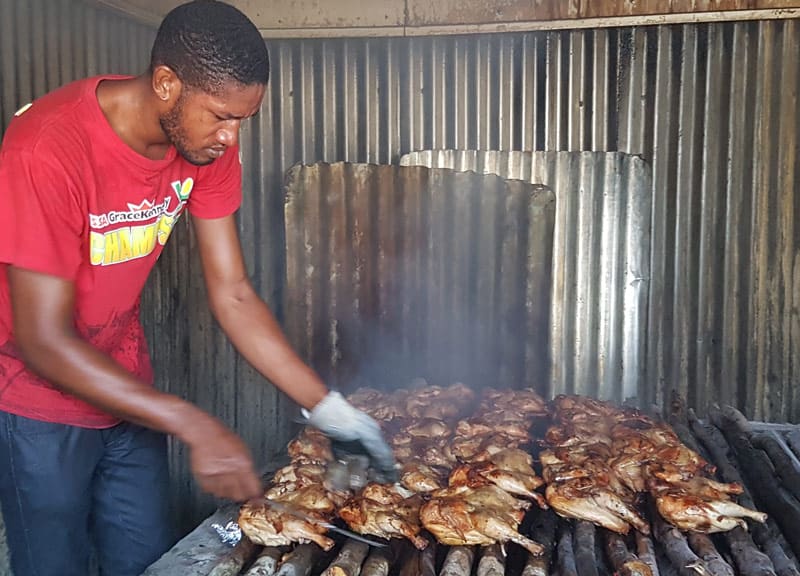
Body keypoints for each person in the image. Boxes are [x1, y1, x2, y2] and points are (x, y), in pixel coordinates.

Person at [0, 1, 397, 575]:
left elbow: (233, 293)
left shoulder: (203, 148)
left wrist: (329, 409)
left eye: (242, 120)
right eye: (219, 116)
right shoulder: (46, 149)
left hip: (129, 397)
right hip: (37, 408)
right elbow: (43, 339)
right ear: (166, 84)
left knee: (154, 564)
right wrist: (191, 421)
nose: (230, 138)